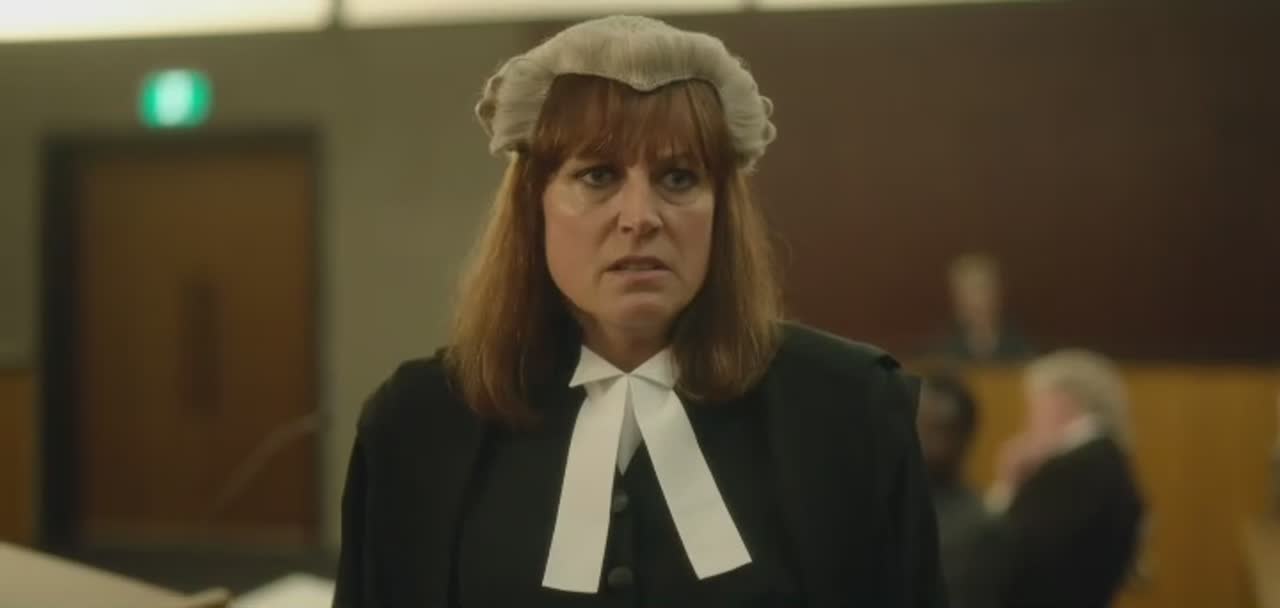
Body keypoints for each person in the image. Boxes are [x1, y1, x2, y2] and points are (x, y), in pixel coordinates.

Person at [333, 15, 945, 608]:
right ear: (533, 206)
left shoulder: (850, 413)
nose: (640, 217)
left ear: (721, 209)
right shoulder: (418, 426)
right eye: (598, 175)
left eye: (678, 178)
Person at [989, 350, 1144, 608]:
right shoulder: (1107, 462)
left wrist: (1008, 484)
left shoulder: (1071, 470)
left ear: (1060, 403)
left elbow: (997, 550)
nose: (1027, 421)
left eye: (1033, 408)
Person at [917, 374, 1007, 608]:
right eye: (919, 425)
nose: (924, 439)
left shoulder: (980, 525)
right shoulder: (878, 506)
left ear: (964, 436)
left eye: (939, 429)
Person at [928, 254, 1035, 363]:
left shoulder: (1021, 347)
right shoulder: (940, 350)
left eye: (982, 290)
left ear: (997, 294)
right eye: (967, 293)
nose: (976, 302)